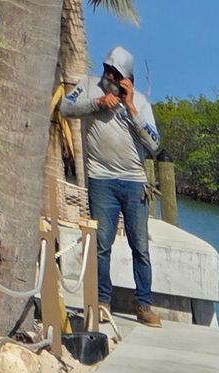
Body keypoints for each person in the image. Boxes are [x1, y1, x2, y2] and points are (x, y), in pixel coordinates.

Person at [62, 45, 161, 328]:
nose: (109, 77)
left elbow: (154, 144)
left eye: (116, 74)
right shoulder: (88, 86)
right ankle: (102, 302)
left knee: (140, 247)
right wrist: (97, 104)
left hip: (134, 183)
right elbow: (65, 107)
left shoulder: (140, 102)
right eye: (107, 70)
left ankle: (144, 305)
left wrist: (130, 108)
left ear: (127, 79)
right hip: (100, 179)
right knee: (101, 245)